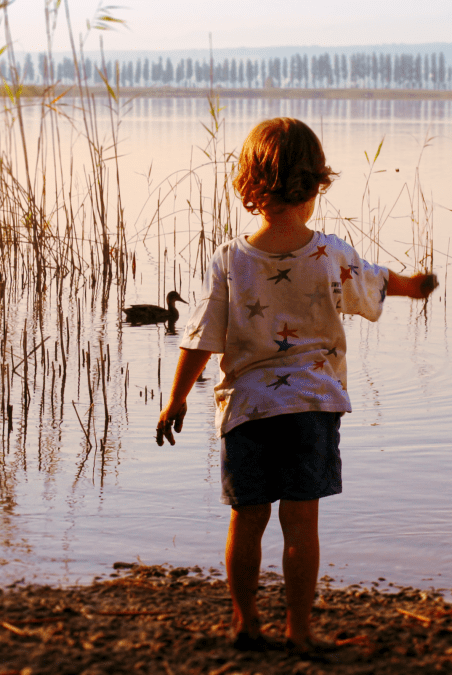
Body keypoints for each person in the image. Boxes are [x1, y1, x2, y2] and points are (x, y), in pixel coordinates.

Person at [156, 117, 436, 656]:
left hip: (247, 412)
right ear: (313, 185)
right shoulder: (328, 254)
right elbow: (378, 279)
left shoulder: (230, 259)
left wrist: (176, 398)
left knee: (248, 518)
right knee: (300, 522)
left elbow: (200, 338)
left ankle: (244, 623)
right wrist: (415, 286)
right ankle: (300, 630)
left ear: (248, 186)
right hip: (311, 406)